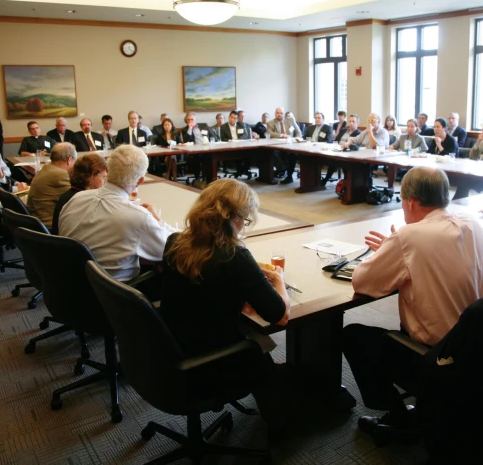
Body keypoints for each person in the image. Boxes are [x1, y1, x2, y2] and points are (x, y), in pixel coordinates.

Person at [342, 168, 483, 436]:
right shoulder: (472, 223)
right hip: (479, 349)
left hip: (437, 359)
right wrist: (393, 250)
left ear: (410, 201)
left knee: (353, 336)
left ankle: (400, 420)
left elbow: (363, 282)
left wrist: (392, 248)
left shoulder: (409, 237)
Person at [160, 178, 292, 430]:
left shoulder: (175, 242)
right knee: (262, 355)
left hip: (172, 347)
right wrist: (279, 281)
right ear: (235, 219)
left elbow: (201, 286)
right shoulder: (235, 256)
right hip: (214, 361)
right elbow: (280, 316)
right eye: (246, 220)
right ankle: (283, 428)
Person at [58, 145, 174, 291]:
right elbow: (170, 248)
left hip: (73, 286)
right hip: (116, 295)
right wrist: (157, 220)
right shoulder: (138, 218)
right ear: (140, 181)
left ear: (107, 169)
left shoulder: (75, 199)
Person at [51, 154, 108, 235]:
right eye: (104, 177)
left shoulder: (67, 196)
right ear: (92, 176)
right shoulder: (86, 201)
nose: (105, 182)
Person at [26, 142, 77, 229]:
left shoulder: (47, 168)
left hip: (37, 222)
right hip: (50, 226)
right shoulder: (60, 175)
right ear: (69, 160)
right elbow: (78, 199)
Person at [322, 115, 361, 186]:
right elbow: (336, 140)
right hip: (337, 150)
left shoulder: (358, 133)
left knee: (338, 162)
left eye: (353, 121)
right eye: (350, 121)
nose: (351, 123)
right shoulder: (343, 130)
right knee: (332, 160)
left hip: (348, 153)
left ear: (357, 123)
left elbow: (357, 146)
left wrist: (346, 145)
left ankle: (344, 182)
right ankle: (326, 179)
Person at [267, 107, 301, 184]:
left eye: (281, 113)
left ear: (284, 114)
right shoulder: (270, 123)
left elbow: (298, 132)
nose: (279, 115)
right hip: (277, 145)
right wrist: (282, 135)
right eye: (277, 113)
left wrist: (295, 139)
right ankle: (282, 169)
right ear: (275, 113)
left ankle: (289, 176)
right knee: (273, 152)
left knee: (292, 154)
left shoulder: (290, 120)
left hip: (290, 145)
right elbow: (270, 133)